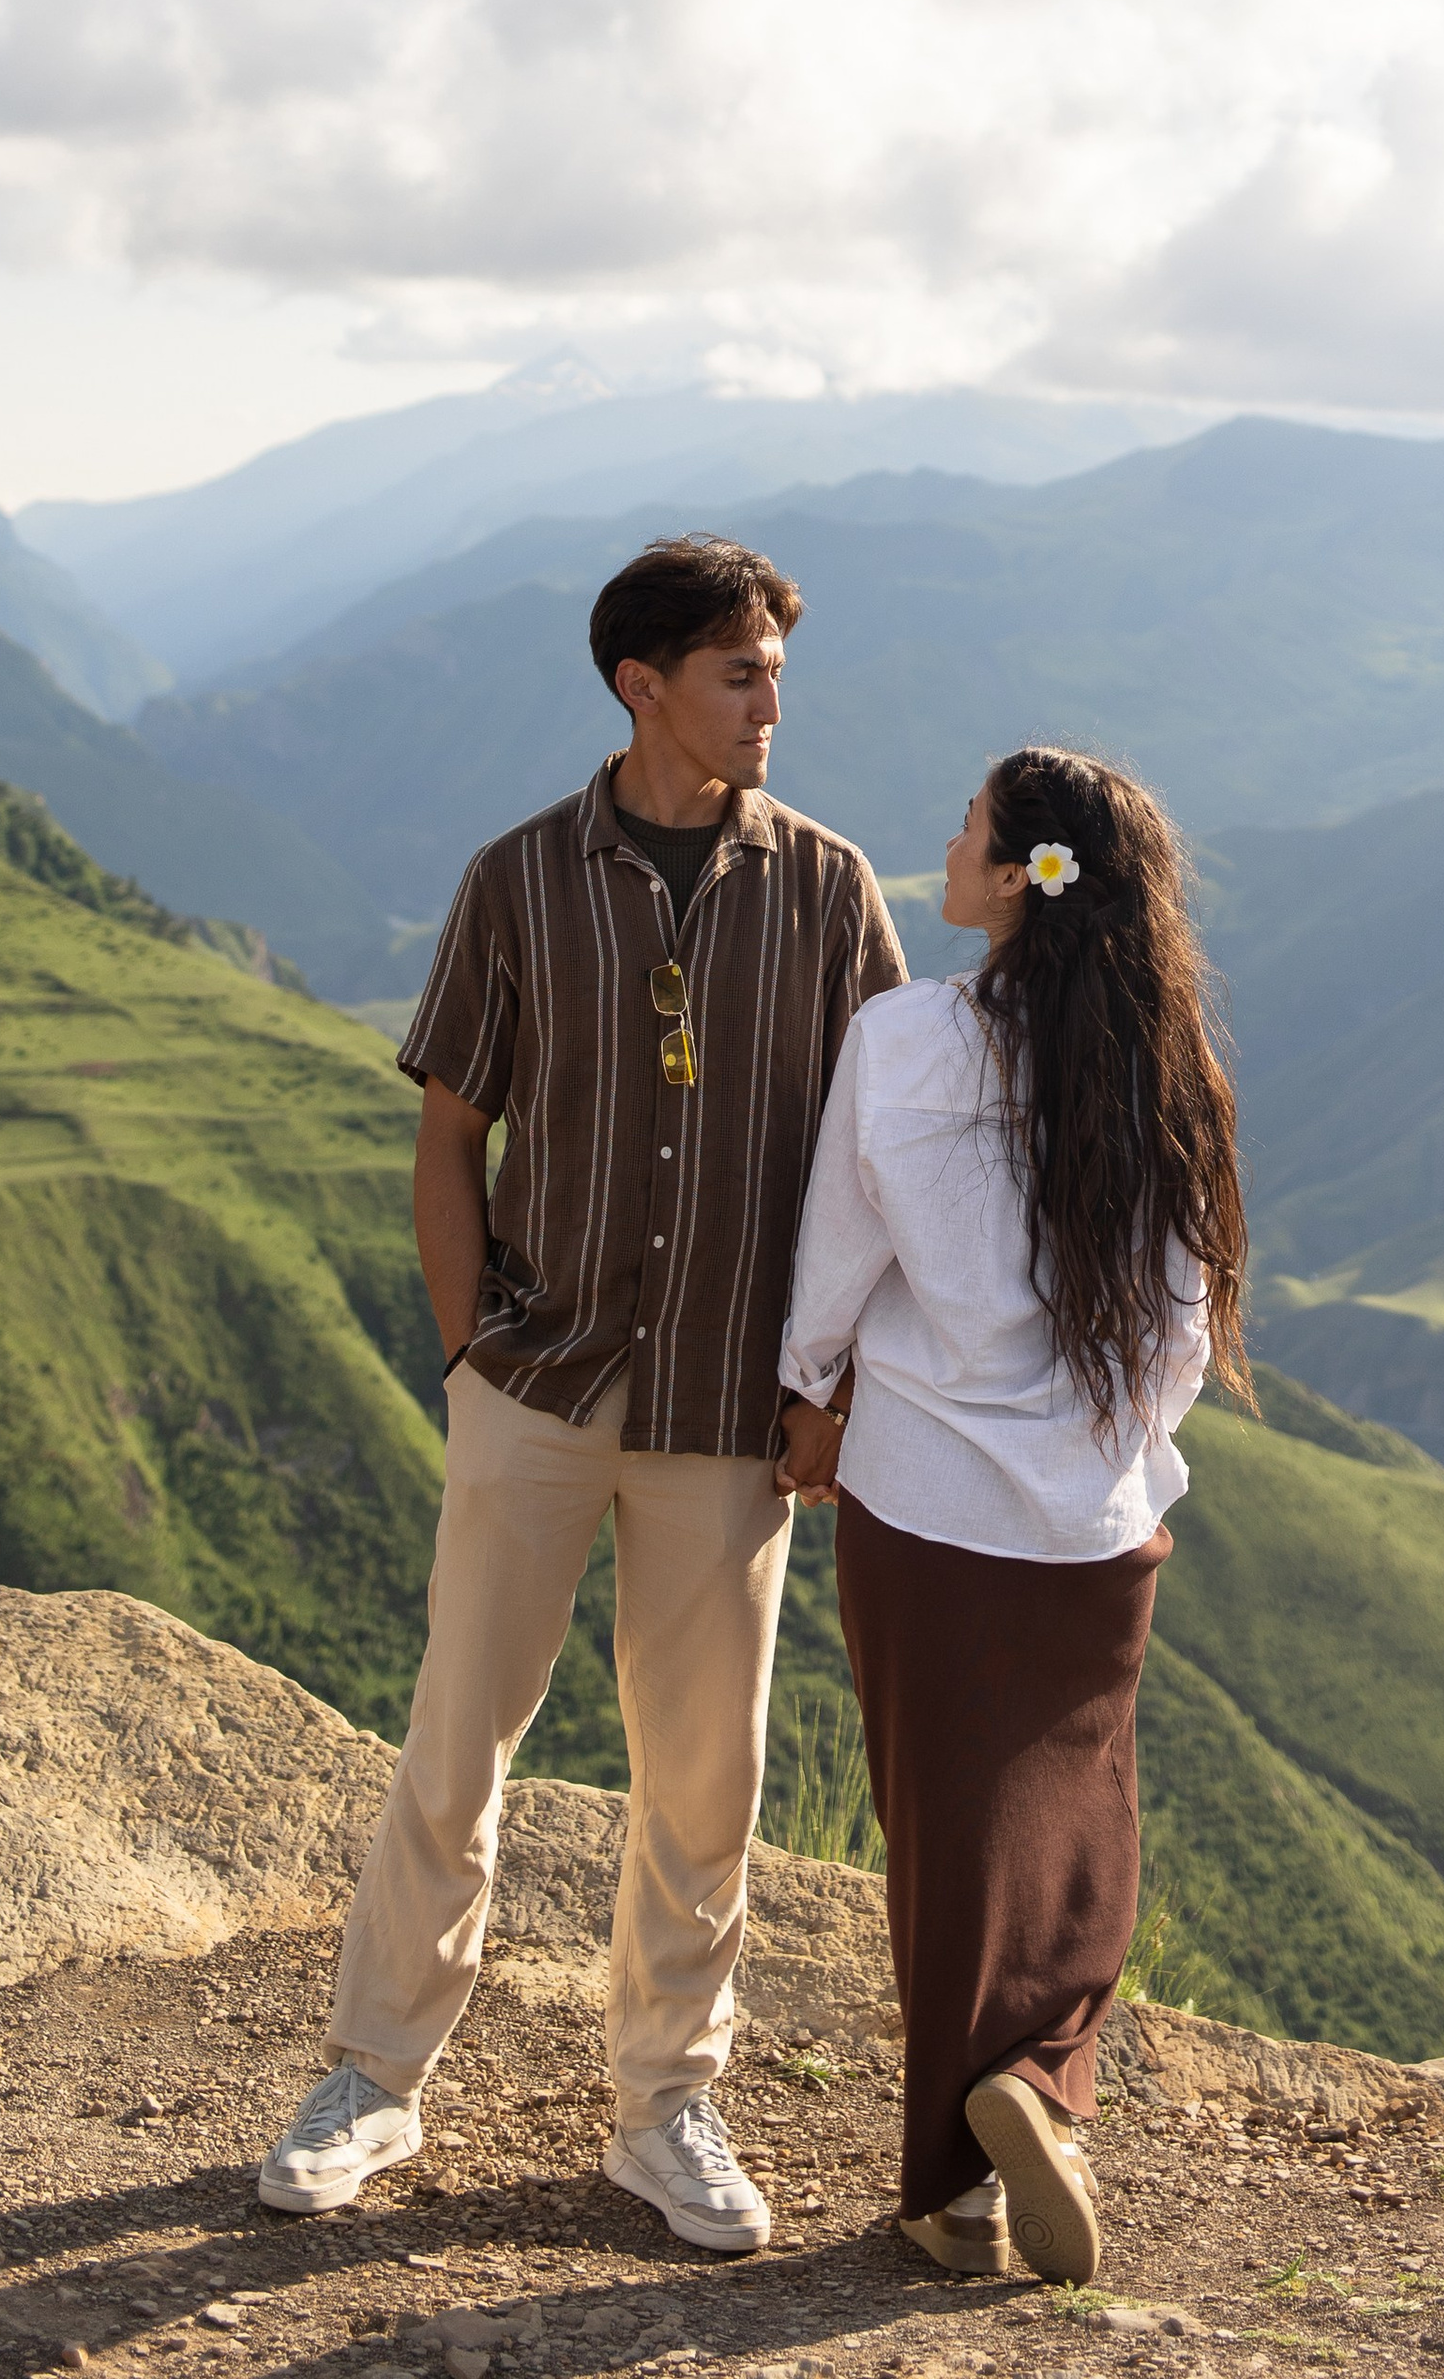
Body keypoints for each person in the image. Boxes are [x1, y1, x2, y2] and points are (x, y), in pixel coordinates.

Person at [260, 533, 906, 2245]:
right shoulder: (519, 878)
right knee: (457, 1735)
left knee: (707, 1774)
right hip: (539, 1379)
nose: (773, 701)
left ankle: (667, 2108)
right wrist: (473, 1343)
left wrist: (832, 1382)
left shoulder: (831, 889)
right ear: (645, 687)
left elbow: (880, 1158)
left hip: (731, 1404)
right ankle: (375, 2080)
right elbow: (450, 1128)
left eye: (775, 667)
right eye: (740, 672)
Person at [775, 747, 1253, 2285]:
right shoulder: (1160, 1061)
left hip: (919, 1502)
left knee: (948, 1833)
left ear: (1018, 875)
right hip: (1094, 1519)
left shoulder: (906, 1037)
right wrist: (1103, 1442)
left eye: (969, 827)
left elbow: (836, 1257)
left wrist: (805, 1392)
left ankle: (952, 2189)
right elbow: (1185, 1319)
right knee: (1076, 1817)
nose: (947, 839)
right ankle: (1040, 2078)